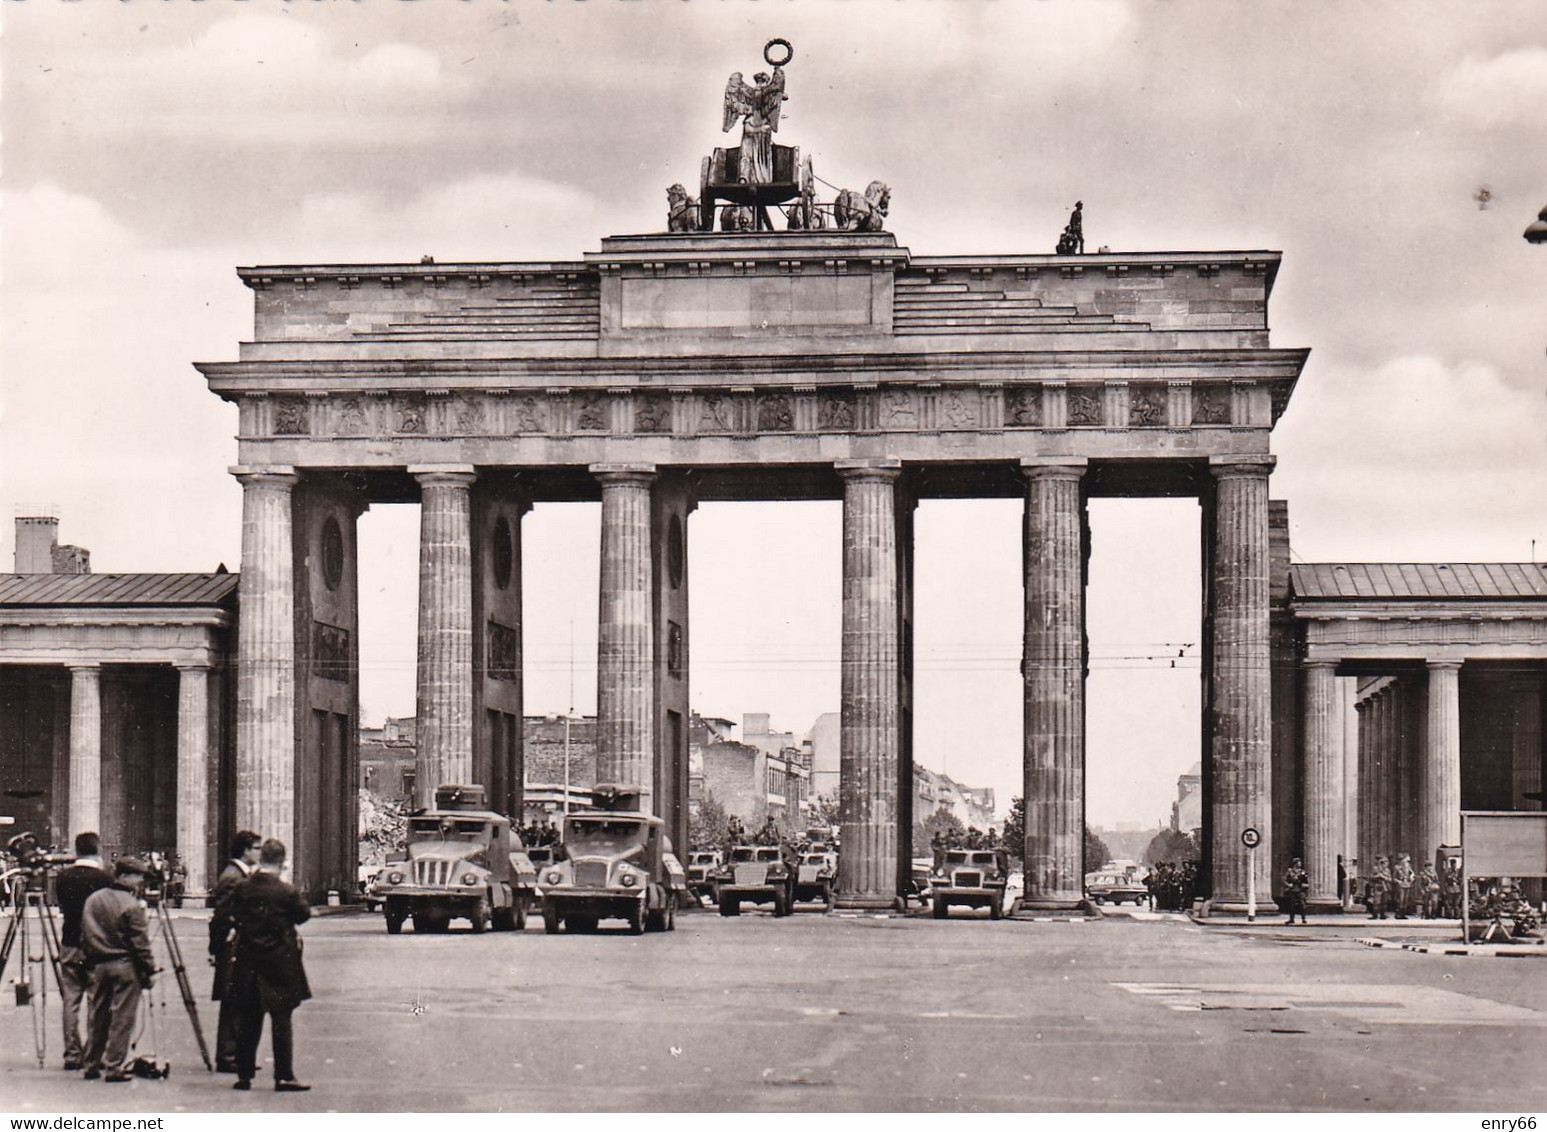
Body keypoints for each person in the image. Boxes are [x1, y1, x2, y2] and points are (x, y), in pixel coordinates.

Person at [226, 839, 312, 1093]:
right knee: (281, 1020)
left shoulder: (243, 888)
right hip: (279, 961)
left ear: (262, 858)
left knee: (249, 1019)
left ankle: (244, 1074)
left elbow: (235, 914)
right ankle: (283, 1076)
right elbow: (303, 915)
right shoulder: (286, 891)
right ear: (282, 861)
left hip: (248, 960)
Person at [79, 858, 156, 1082]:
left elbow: (84, 933)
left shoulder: (94, 899)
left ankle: (91, 1063)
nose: (140, 881)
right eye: (137, 876)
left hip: (98, 963)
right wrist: (149, 970)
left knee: (98, 1015)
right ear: (124, 877)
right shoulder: (131, 905)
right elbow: (140, 944)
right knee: (123, 1018)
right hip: (124, 964)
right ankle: (114, 1066)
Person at [53, 832, 115, 1071]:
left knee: (70, 999)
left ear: (76, 850)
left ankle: (71, 1053)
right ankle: (93, 1053)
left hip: (69, 941)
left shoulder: (62, 877)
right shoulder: (104, 878)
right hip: (95, 944)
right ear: (98, 849)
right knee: (96, 1000)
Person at [210, 829, 262, 1073]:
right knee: (233, 1000)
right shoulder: (233, 876)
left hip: (238, 945)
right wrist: (217, 948)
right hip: (232, 946)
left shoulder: (240, 874)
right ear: (245, 850)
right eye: (257, 848)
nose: (260, 853)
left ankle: (236, 1053)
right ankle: (227, 1055)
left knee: (240, 999)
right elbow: (221, 916)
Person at [1282, 857, 1309, 925]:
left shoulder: (1302, 871)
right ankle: (1291, 919)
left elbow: (1306, 881)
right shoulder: (1290, 871)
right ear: (1295, 863)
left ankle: (1303, 918)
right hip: (1293, 889)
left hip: (1300, 889)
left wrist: (1305, 885)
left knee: (1302, 905)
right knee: (1292, 905)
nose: (1300, 864)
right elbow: (1284, 879)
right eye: (1298, 862)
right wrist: (1288, 885)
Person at [1391, 852, 1416, 920]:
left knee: (1405, 900)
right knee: (1401, 900)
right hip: (1401, 884)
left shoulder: (1408, 866)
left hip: (1407, 884)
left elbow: (1413, 873)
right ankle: (1398, 913)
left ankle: (1403, 913)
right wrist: (1398, 881)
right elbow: (1393, 878)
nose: (1407, 861)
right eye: (1406, 859)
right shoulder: (1397, 867)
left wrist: (1412, 877)